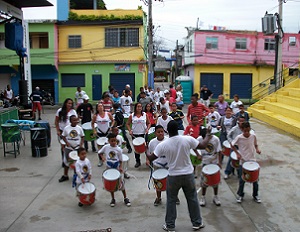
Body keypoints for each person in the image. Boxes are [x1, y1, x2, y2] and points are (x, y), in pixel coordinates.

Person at [147, 120, 213, 231]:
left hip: (173, 176)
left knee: (171, 200)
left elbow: (151, 158)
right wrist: (208, 134)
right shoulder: (186, 139)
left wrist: (145, 150)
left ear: (167, 131)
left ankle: (170, 226)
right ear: (178, 129)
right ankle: (197, 223)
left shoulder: (163, 144)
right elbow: (203, 145)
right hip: (188, 174)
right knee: (192, 198)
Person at [230, 121, 261, 203]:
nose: (247, 133)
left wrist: (257, 149)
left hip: (252, 160)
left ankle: (255, 195)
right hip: (243, 161)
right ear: (242, 130)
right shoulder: (239, 137)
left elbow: (255, 144)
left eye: (248, 130)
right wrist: (237, 153)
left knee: (255, 180)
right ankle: (240, 195)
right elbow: (232, 145)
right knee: (242, 179)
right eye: (245, 131)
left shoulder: (253, 136)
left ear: (250, 129)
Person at [98, 133, 131, 207]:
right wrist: (102, 157)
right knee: (111, 183)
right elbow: (99, 152)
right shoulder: (106, 147)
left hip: (116, 167)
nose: (114, 142)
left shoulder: (118, 149)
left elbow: (120, 160)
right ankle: (113, 199)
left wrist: (120, 167)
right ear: (109, 141)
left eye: (115, 141)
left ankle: (125, 198)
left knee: (121, 183)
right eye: (112, 141)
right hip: (109, 167)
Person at [198, 127, 222, 207]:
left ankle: (215, 196)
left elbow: (219, 151)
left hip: (214, 162)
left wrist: (219, 162)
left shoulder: (216, 139)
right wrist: (198, 155)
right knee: (204, 182)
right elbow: (194, 148)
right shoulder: (199, 139)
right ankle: (203, 197)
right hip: (205, 163)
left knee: (215, 181)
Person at [146, 125, 168, 206]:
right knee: (158, 183)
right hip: (157, 165)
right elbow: (149, 153)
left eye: (162, 132)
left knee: (171, 183)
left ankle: (174, 197)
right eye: (158, 132)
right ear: (155, 133)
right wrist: (147, 160)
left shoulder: (168, 140)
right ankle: (158, 198)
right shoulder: (152, 142)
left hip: (168, 165)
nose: (160, 133)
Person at [59, 115, 84, 183]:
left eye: (76, 120)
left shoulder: (79, 128)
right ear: (70, 121)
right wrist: (66, 143)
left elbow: (82, 137)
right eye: (73, 120)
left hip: (77, 148)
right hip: (69, 148)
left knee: (76, 162)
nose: (75, 121)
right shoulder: (67, 128)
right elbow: (63, 136)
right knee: (67, 162)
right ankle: (65, 175)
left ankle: (76, 175)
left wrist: (81, 144)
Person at [126, 102, 151, 168]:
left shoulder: (145, 115)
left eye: (140, 107)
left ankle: (148, 160)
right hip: (135, 134)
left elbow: (149, 123)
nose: (139, 108)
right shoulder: (132, 115)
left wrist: (147, 129)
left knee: (146, 147)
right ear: (135, 108)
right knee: (137, 149)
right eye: (138, 107)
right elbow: (127, 124)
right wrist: (130, 130)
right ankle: (138, 161)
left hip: (144, 134)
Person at [55, 98, 78, 167]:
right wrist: (58, 130)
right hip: (62, 131)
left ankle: (71, 161)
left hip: (71, 132)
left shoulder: (73, 112)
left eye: (71, 103)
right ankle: (64, 160)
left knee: (71, 146)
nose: (70, 105)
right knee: (63, 146)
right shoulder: (60, 111)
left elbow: (76, 121)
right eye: (68, 103)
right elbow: (56, 121)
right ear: (65, 103)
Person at [92, 103, 114, 167]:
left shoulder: (108, 114)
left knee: (109, 146)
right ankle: (100, 160)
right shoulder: (96, 116)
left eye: (101, 106)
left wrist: (111, 127)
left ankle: (110, 159)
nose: (100, 107)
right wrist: (94, 130)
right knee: (100, 147)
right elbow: (92, 123)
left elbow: (113, 121)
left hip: (107, 132)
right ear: (97, 108)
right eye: (99, 106)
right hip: (100, 133)